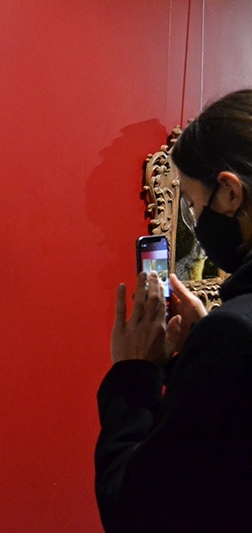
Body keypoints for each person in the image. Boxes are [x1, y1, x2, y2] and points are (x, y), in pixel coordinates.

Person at [96, 89, 252, 532]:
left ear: (229, 193)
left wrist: (133, 373)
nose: (195, 217)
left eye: (194, 203)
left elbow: (135, 510)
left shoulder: (234, 336)